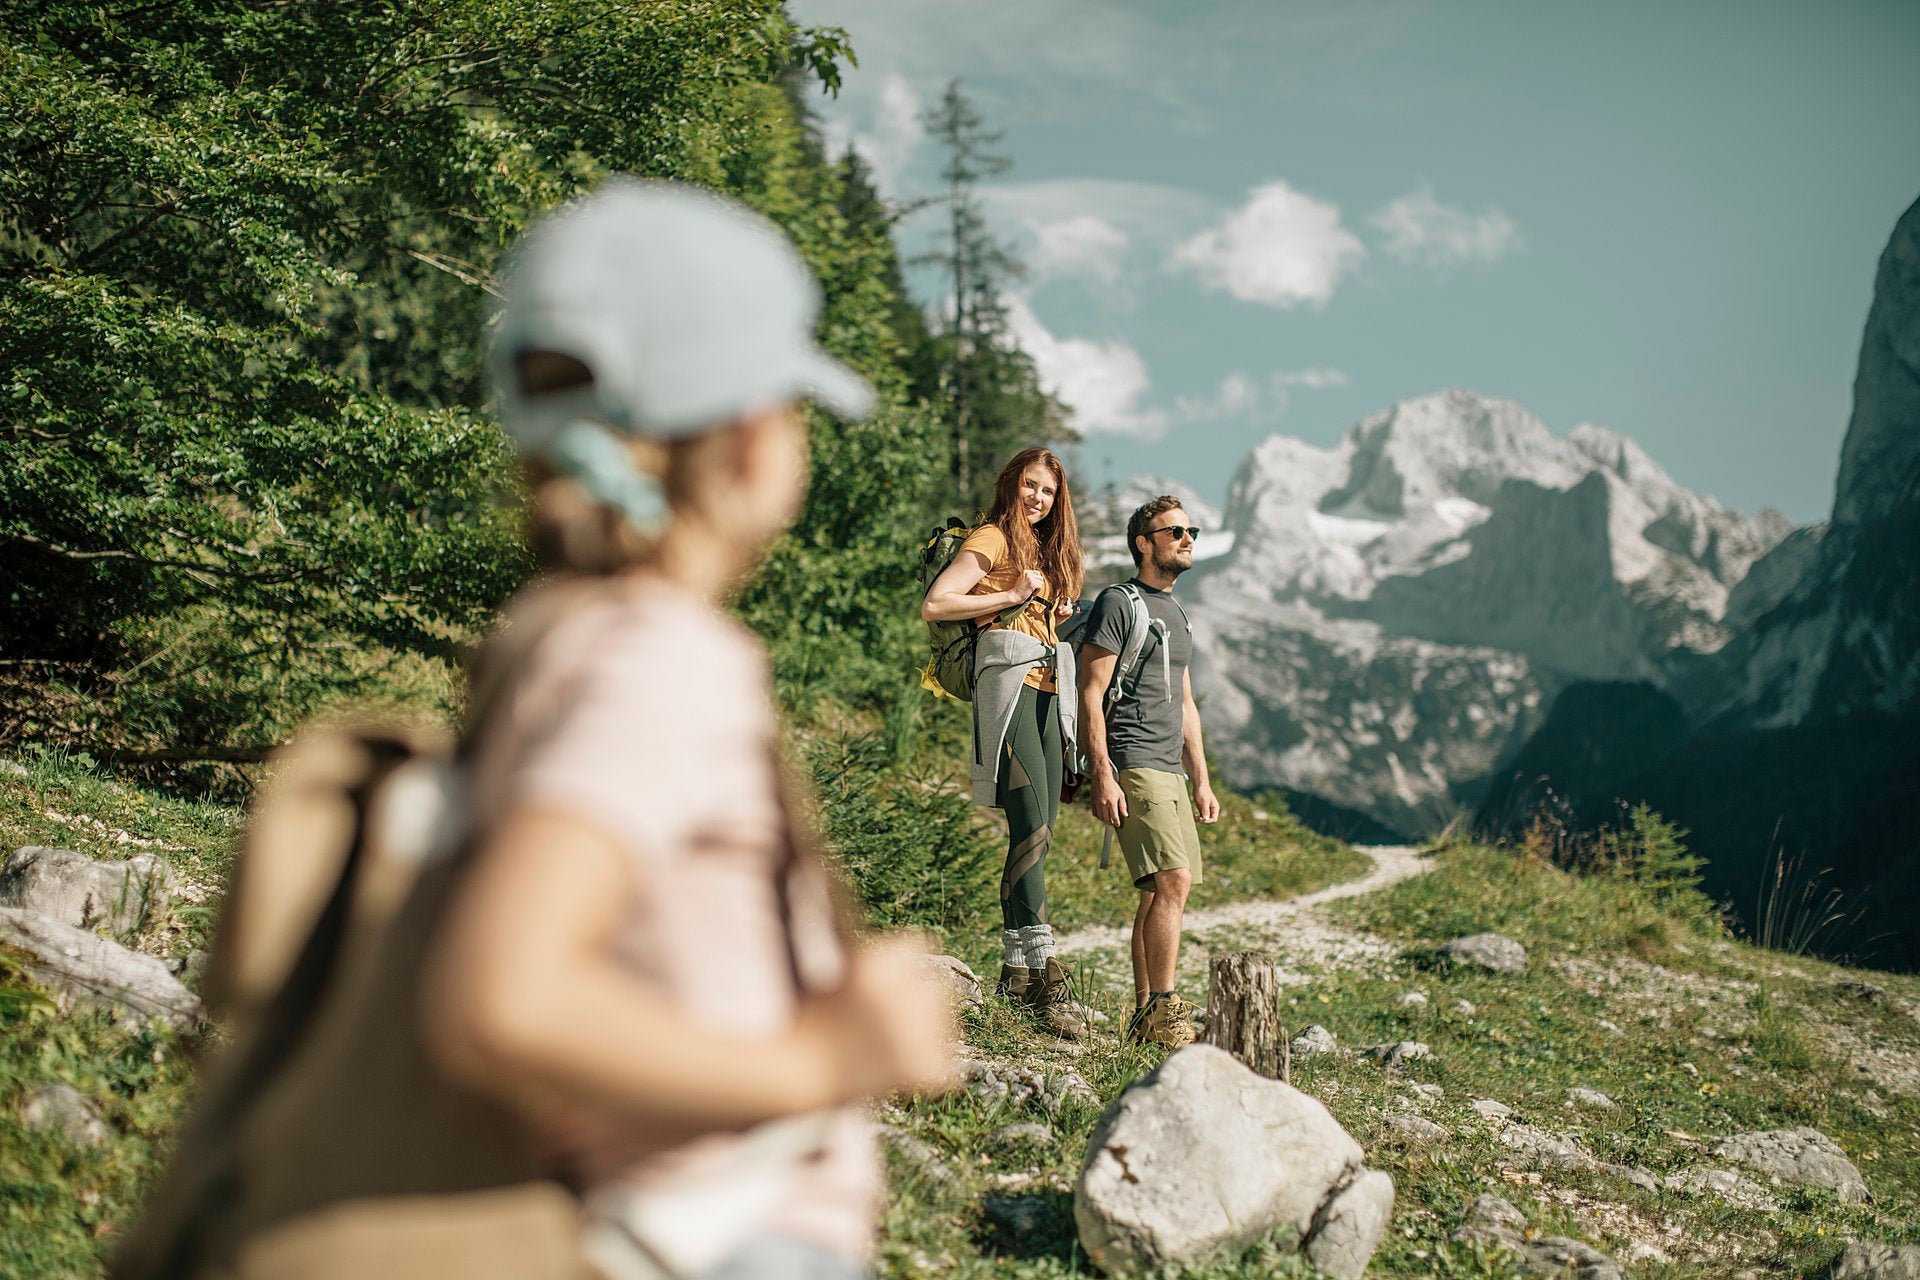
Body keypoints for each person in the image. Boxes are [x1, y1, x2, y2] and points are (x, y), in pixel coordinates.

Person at [424, 180, 957, 1279]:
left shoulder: (548, 633)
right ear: (755, 436)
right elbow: (503, 991)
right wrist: (825, 1055)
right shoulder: (665, 657)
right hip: (721, 1239)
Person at [919, 448, 1086, 1038]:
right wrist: (1011, 594)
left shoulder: (1048, 550)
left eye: (1049, 490)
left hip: (1048, 689)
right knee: (1032, 823)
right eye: (1031, 485)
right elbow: (936, 603)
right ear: (1012, 485)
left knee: (1036, 830)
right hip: (1009, 684)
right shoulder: (991, 538)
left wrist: (1058, 610)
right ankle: (1045, 972)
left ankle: (1016, 974)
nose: (1039, 498)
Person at [1077, 495, 1219, 1050]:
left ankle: (1142, 1016)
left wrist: (1202, 779)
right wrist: (1102, 772)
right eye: (1174, 531)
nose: (1187, 539)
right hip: (1133, 760)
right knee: (1173, 881)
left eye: (1191, 531)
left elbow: (1185, 705)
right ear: (1144, 542)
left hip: (1171, 771)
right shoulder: (1120, 602)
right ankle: (1164, 1011)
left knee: (1156, 892)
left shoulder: (1178, 614)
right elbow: (1092, 691)